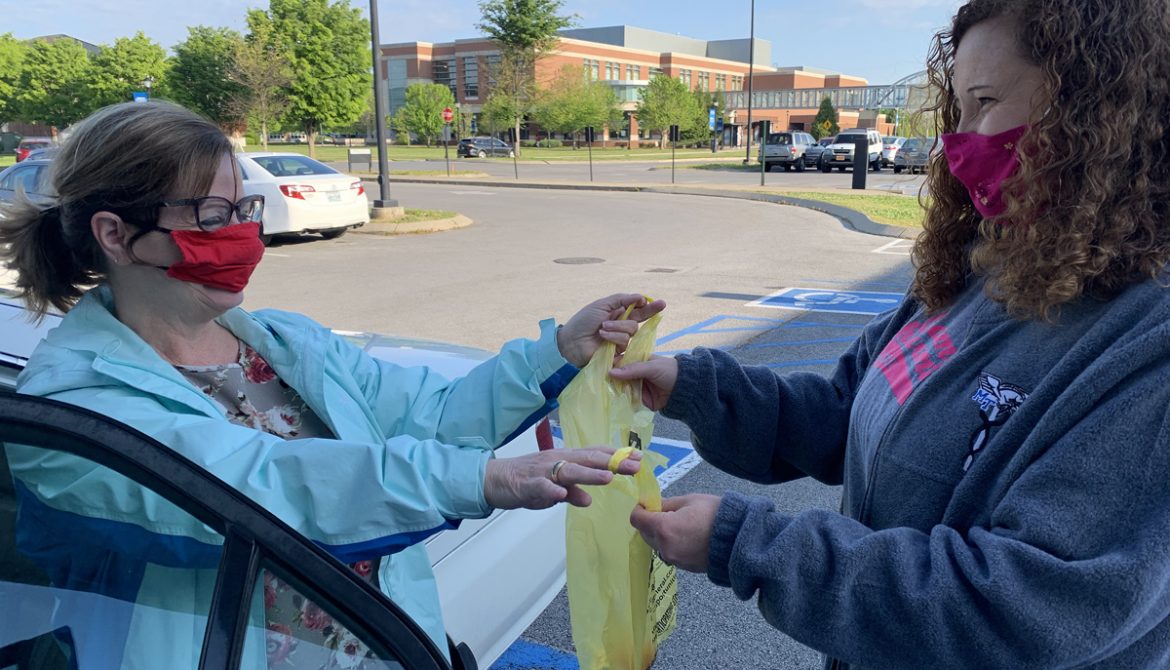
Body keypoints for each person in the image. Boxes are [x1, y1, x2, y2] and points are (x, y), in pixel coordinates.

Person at [0, 100, 661, 667]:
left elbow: (430, 413)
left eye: (243, 208)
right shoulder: (69, 412)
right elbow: (260, 490)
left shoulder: (283, 343)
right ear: (116, 235)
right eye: (211, 215)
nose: (243, 235)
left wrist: (556, 351)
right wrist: (481, 480)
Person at [615, 1, 1170, 668]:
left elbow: (1031, 607)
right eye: (957, 110)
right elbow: (842, 413)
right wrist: (695, 388)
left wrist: (751, 545)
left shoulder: (1147, 341)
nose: (960, 144)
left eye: (986, 102)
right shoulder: (980, 268)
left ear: (1099, 113)